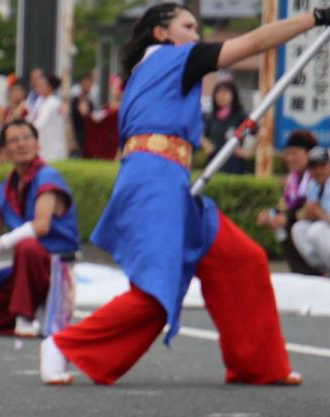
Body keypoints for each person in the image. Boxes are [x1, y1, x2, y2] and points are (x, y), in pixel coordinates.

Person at [40, 3, 312, 387]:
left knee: (241, 260)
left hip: (167, 180)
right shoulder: (178, 58)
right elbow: (254, 41)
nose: (197, 35)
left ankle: (258, 364)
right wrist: (313, 20)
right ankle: (63, 345)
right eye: (188, 26)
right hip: (156, 181)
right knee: (156, 292)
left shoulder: (144, 72)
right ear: (161, 33)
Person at [0, 119, 79, 338]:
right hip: (23, 277)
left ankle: (26, 318)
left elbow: (42, 226)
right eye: (14, 140)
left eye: (27, 138)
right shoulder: (3, 190)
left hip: (55, 273)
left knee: (28, 246)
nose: (21, 144)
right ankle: (29, 316)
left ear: (38, 144)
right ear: (4, 151)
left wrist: (1, 245)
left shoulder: (48, 177)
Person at [255, 129, 322, 275]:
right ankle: (301, 273)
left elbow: (309, 207)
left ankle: (316, 275)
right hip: (309, 224)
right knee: (281, 225)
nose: (289, 158)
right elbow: (285, 206)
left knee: (296, 227)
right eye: (287, 154)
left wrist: (286, 218)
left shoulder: (319, 173)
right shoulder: (294, 178)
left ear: (309, 154)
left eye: (294, 153)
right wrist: (270, 214)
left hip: (322, 227)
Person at [289, 145, 330, 277]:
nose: (318, 170)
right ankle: (321, 271)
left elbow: (314, 210)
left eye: (322, 165)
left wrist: (316, 211)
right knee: (299, 228)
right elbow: (306, 212)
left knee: (316, 231)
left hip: (323, 227)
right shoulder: (313, 184)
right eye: (313, 167)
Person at [202, 79, 251, 175]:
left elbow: (257, 132)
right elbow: (201, 133)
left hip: (234, 164)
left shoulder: (240, 116)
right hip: (213, 162)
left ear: (233, 95)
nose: (221, 96)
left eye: (225, 92)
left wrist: (248, 152)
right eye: (218, 93)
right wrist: (206, 145)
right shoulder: (212, 117)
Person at [28, 72, 68, 162]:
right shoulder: (39, 100)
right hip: (41, 143)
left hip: (52, 147)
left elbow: (39, 124)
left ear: (50, 87)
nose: (38, 86)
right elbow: (31, 118)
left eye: (42, 84)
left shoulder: (54, 103)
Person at [69, 73, 96, 158]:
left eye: (90, 84)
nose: (88, 86)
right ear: (81, 84)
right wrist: (72, 139)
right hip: (77, 138)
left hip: (87, 138)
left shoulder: (90, 103)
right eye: (86, 83)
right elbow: (71, 121)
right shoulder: (74, 102)